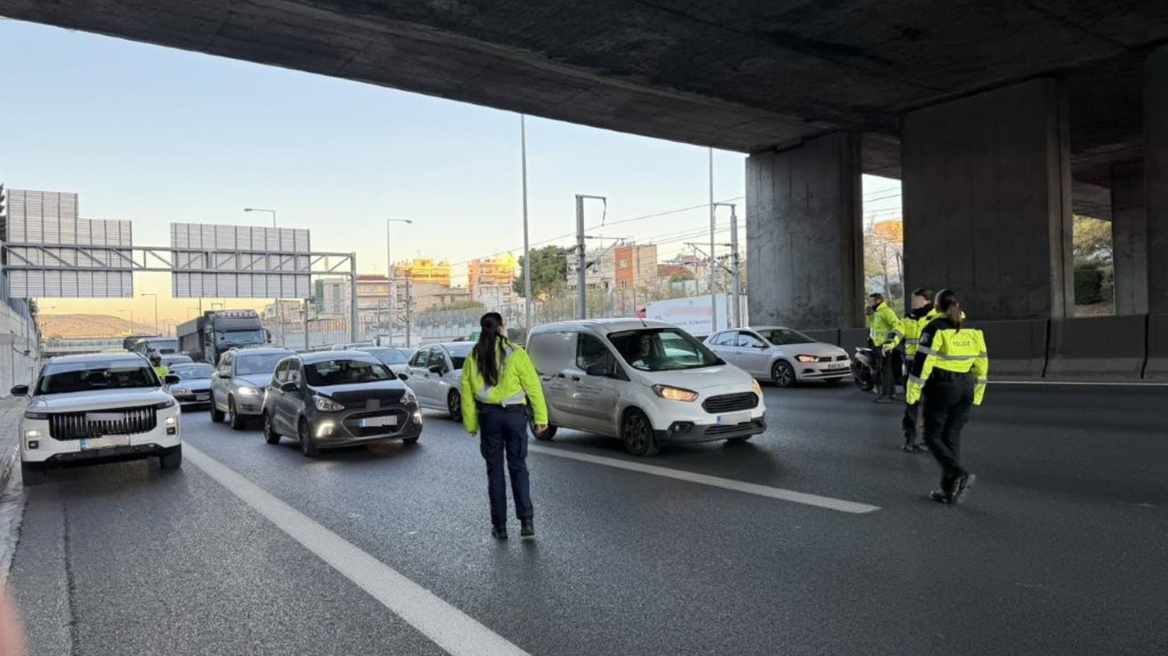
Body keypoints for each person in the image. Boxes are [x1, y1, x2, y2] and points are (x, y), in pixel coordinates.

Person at [461, 312, 548, 540]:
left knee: (495, 473)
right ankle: (526, 522)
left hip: (489, 417)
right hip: (515, 416)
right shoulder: (516, 353)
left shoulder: (474, 356)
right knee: (518, 467)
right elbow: (533, 387)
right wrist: (541, 418)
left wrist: (471, 424)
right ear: (501, 328)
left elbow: (467, 392)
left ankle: (499, 527)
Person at [905, 290, 989, 505]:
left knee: (931, 436)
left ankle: (957, 472)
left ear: (936, 307)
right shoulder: (971, 330)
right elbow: (982, 365)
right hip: (966, 387)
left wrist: (912, 395)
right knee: (951, 438)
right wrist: (977, 396)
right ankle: (948, 491)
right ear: (957, 305)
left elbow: (922, 364)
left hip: (943, 386)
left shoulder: (934, 328)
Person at [899, 288, 935, 452]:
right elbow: (898, 332)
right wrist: (890, 343)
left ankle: (928, 441)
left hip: (930, 368)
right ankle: (909, 440)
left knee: (930, 407)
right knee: (910, 405)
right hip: (911, 366)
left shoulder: (936, 318)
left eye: (916, 300)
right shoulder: (908, 318)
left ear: (927, 300)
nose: (913, 303)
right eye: (912, 300)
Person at [866, 293, 903, 403]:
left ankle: (885, 395)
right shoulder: (878, 312)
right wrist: (870, 316)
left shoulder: (886, 311)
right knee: (887, 369)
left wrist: (889, 342)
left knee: (884, 369)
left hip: (885, 345)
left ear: (877, 301)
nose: (869, 303)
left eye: (870, 301)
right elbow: (875, 327)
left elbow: (897, 325)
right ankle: (891, 393)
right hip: (878, 345)